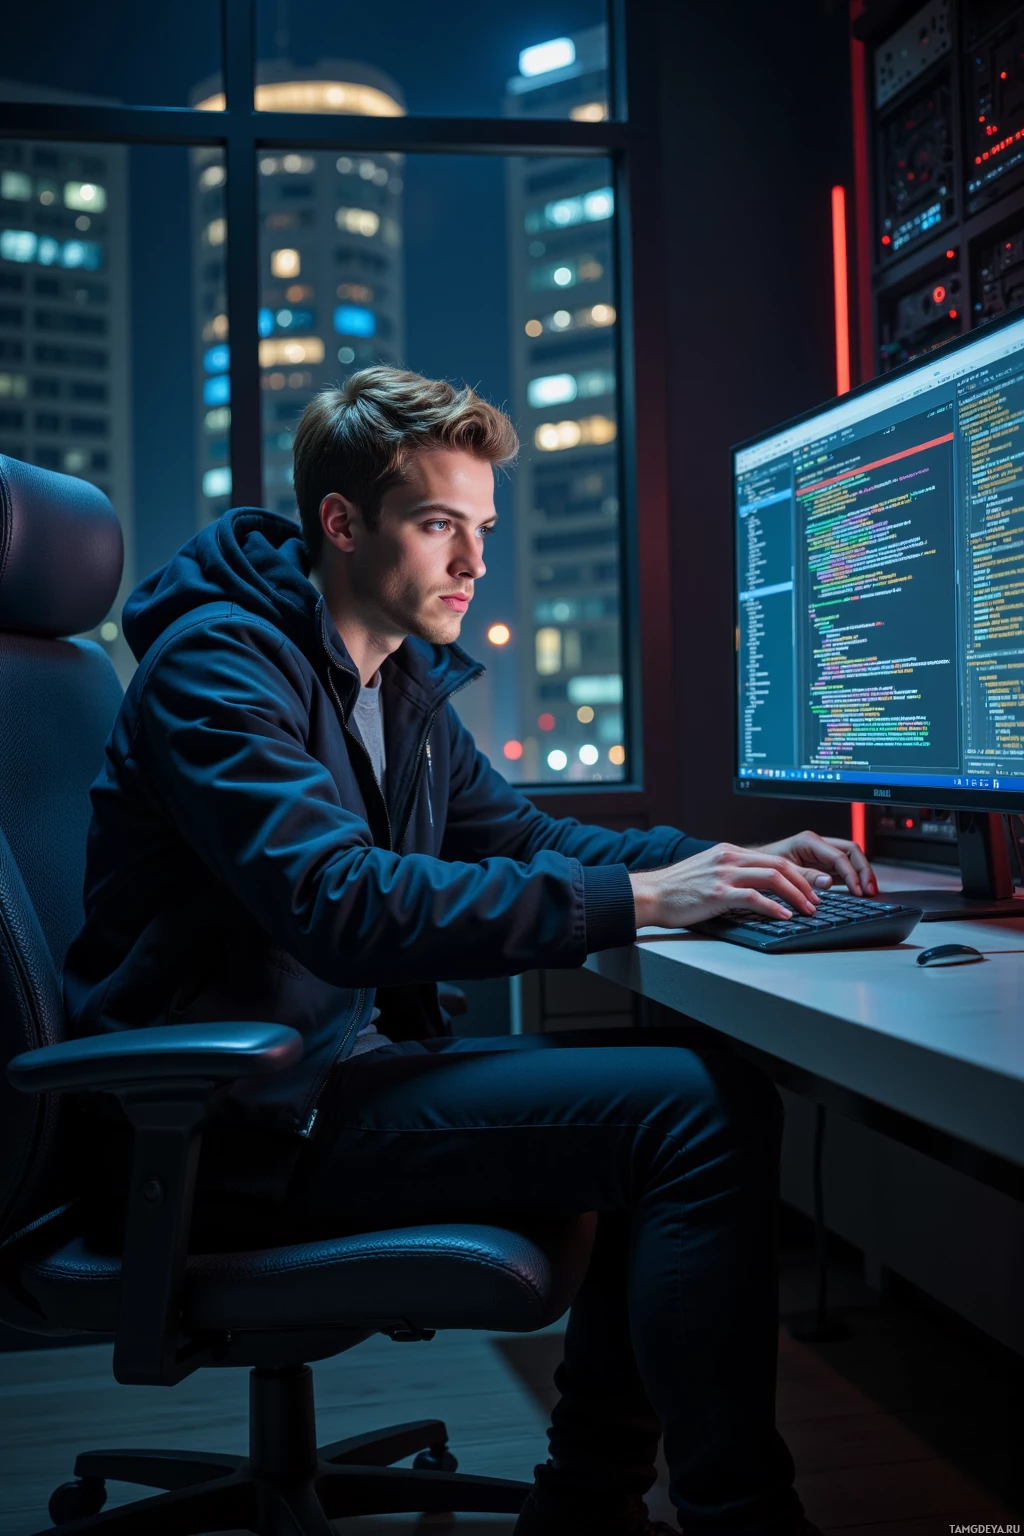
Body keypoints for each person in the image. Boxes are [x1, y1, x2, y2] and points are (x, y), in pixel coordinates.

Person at [65, 366, 876, 1535]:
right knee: (698, 1112)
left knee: (693, 1101)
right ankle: (716, 1516)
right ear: (341, 524)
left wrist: (730, 861)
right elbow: (342, 904)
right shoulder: (217, 669)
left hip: (309, 1084)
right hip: (215, 1129)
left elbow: (530, 837)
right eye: (441, 524)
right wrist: (646, 900)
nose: (473, 563)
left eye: (481, 529)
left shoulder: (392, 687)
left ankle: (589, 1503)